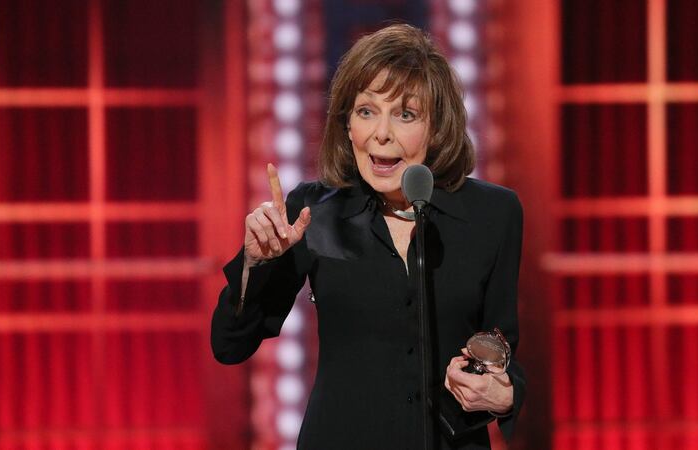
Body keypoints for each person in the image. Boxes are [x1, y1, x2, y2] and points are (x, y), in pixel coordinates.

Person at [211, 24, 525, 449]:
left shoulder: (493, 214)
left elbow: (503, 348)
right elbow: (230, 345)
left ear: (436, 128)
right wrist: (256, 263)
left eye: (405, 114)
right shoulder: (314, 212)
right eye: (366, 111)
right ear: (347, 125)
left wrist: (505, 395)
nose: (381, 133)